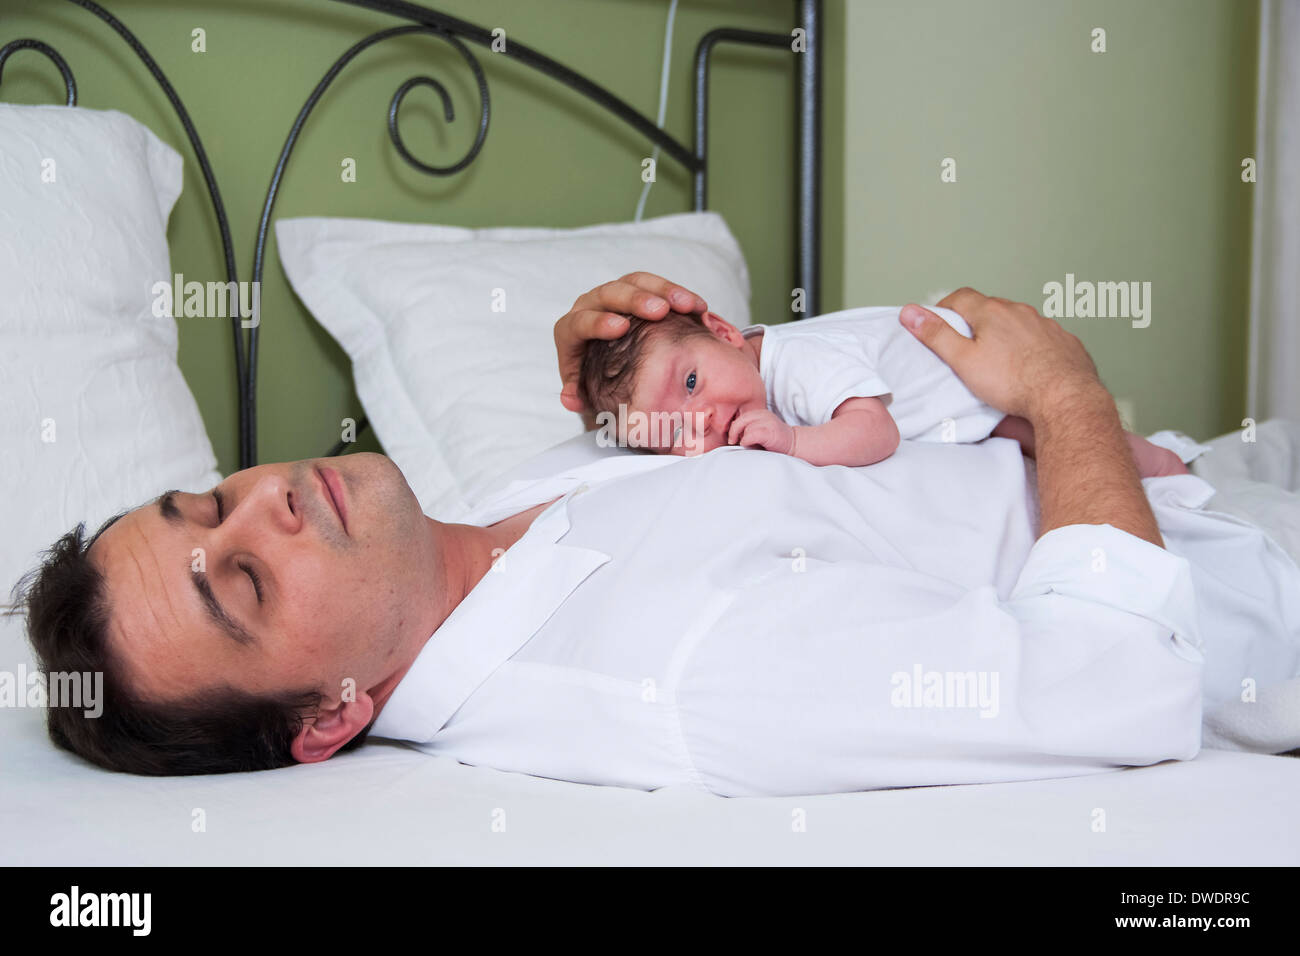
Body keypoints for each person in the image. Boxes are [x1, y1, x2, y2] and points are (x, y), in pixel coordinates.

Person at [15, 276, 1300, 793]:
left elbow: (768, 431)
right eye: (243, 574)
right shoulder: (683, 667)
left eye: (210, 496)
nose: (266, 499)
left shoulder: (497, 517)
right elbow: (1121, 683)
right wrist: (1066, 388)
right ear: (327, 719)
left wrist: (611, 388)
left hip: (1220, 479)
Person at [575, 303, 1188, 476]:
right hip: (951, 397)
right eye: (675, 429)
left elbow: (876, 431)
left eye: (690, 382)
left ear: (725, 332)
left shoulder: (801, 363)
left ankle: (1166, 465)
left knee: (1052, 438)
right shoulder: (746, 372)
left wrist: (793, 441)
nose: (703, 418)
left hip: (974, 377)